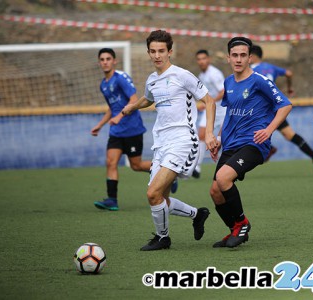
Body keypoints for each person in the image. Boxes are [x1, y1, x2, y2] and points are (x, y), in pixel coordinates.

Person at [121, 30, 218, 251]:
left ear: (170, 52)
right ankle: (197, 214)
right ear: (148, 53)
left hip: (183, 140)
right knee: (160, 199)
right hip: (161, 143)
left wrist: (210, 133)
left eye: (161, 51)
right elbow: (148, 98)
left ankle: (162, 238)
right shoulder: (152, 80)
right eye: (153, 51)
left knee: (152, 193)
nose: (157, 55)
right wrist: (133, 106)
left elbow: (209, 101)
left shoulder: (182, 75)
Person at [209, 37, 292, 248]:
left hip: (254, 144)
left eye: (243, 55)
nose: (238, 59)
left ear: (250, 58)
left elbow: (285, 105)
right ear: (228, 58)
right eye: (234, 55)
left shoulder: (259, 80)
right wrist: (219, 138)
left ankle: (242, 223)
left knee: (223, 177)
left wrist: (269, 129)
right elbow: (229, 115)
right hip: (230, 143)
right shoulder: (228, 82)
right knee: (216, 191)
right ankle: (234, 230)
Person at [91, 48, 153, 211]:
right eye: (102, 59)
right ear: (99, 63)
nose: (105, 62)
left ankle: (165, 173)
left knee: (136, 165)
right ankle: (112, 200)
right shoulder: (103, 85)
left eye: (108, 59)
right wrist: (100, 124)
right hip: (116, 132)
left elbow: (134, 99)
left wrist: (119, 117)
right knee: (110, 162)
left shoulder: (121, 78)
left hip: (132, 129)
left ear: (114, 61)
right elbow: (112, 108)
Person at [250, 45, 313, 175]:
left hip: (262, 110)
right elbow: (289, 73)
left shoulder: (251, 70)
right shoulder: (271, 67)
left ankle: (269, 149)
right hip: (276, 108)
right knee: (290, 135)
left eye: (247, 56)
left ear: (252, 56)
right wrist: (290, 88)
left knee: (249, 131)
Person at [193, 49, 226, 178]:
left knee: (224, 139)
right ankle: (197, 167)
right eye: (199, 59)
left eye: (204, 58)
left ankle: (227, 167)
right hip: (210, 109)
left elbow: (223, 91)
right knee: (201, 134)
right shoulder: (201, 75)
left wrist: (209, 102)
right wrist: (204, 103)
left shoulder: (214, 74)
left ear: (209, 59)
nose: (201, 61)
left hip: (222, 110)